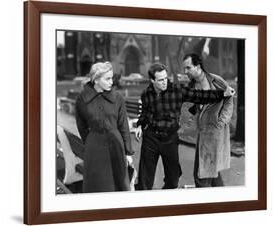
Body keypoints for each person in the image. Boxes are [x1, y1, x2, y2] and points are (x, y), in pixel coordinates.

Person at [134, 62, 234, 190]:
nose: (165, 82)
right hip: (151, 139)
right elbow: (145, 112)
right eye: (160, 80)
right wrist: (139, 125)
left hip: (169, 139)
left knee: (173, 180)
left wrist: (222, 94)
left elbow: (200, 96)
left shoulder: (177, 91)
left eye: (166, 78)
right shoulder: (146, 94)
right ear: (152, 80)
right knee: (144, 182)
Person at [75, 61, 134, 193]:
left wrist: (128, 152)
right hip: (94, 149)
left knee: (119, 184)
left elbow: (123, 125)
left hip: (116, 146)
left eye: (112, 78)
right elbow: (81, 126)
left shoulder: (118, 98)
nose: (111, 82)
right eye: (107, 78)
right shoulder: (82, 99)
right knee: (97, 185)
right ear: (96, 79)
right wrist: (92, 141)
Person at [183, 53, 234, 187]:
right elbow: (192, 108)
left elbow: (229, 98)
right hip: (203, 133)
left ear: (198, 66)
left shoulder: (216, 81)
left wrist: (222, 120)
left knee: (202, 175)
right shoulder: (191, 87)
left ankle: (207, 204)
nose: (185, 71)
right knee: (211, 171)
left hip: (216, 132)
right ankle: (224, 202)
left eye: (188, 68)